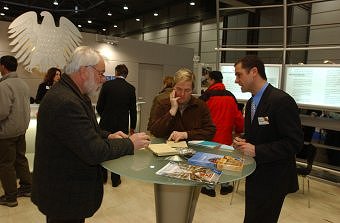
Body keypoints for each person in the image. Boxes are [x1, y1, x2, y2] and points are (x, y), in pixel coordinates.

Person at [31, 46, 150, 223]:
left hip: (64, 191)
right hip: (64, 195)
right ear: (84, 71)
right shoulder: (66, 101)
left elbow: (81, 131)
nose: (102, 80)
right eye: (100, 74)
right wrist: (130, 144)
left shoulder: (73, 94)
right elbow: (94, 151)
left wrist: (107, 135)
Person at [232, 55, 303, 223]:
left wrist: (257, 150)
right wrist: (242, 140)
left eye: (239, 74)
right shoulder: (251, 103)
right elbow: (258, 134)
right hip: (256, 175)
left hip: (274, 179)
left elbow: (294, 142)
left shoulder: (281, 101)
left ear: (254, 72)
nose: (236, 80)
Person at [199, 70, 244, 197]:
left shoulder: (206, 96)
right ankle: (226, 186)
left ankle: (209, 187)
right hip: (226, 136)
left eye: (208, 79)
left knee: (211, 161)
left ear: (212, 80)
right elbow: (238, 117)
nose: (207, 82)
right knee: (225, 161)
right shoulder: (230, 96)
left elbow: (198, 116)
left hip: (210, 137)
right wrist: (240, 130)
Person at [147, 68, 216, 142]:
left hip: (192, 149)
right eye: (179, 89)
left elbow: (210, 132)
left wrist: (186, 134)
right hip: (165, 149)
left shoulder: (200, 105)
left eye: (187, 90)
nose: (182, 94)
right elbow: (154, 131)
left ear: (192, 90)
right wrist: (171, 112)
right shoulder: (162, 102)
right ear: (173, 87)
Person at [96, 64, 137, 187]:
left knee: (103, 149)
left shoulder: (107, 86)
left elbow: (99, 106)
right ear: (126, 74)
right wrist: (132, 127)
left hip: (105, 124)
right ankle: (115, 180)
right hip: (122, 125)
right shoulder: (131, 88)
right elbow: (133, 110)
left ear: (116, 73)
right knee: (119, 152)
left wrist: (104, 115)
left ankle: (103, 178)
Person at [0, 55, 32, 207]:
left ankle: (10, 197)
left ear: (3, 67)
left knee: (6, 164)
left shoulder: (4, 86)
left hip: (7, 131)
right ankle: (27, 187)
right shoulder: (23, 84)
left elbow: (2, 112)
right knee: (21, 158)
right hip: (21, 129)